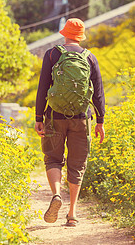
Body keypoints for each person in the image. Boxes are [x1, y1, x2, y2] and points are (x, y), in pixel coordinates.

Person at [35, 18, 105, 227]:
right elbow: (98, 94)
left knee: (53, 158)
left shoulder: (52, 54)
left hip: (54, 116)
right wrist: (100, 122)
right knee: (77, 164)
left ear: (64, 34)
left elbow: (42, 87)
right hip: (82, 118)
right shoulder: (90, 57)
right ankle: (72, 213)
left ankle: (57, 194)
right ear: (81, 36)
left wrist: (39, 118)